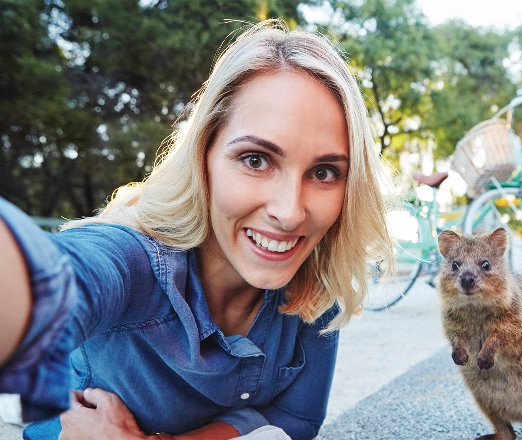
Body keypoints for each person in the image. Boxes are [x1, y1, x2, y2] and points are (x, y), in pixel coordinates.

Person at [0, 19, 393, 440]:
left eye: (324, 171)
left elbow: (298, 419)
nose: (290, 212)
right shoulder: (133, 259)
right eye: (256, 160)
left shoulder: (316, 286)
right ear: (203, 155)